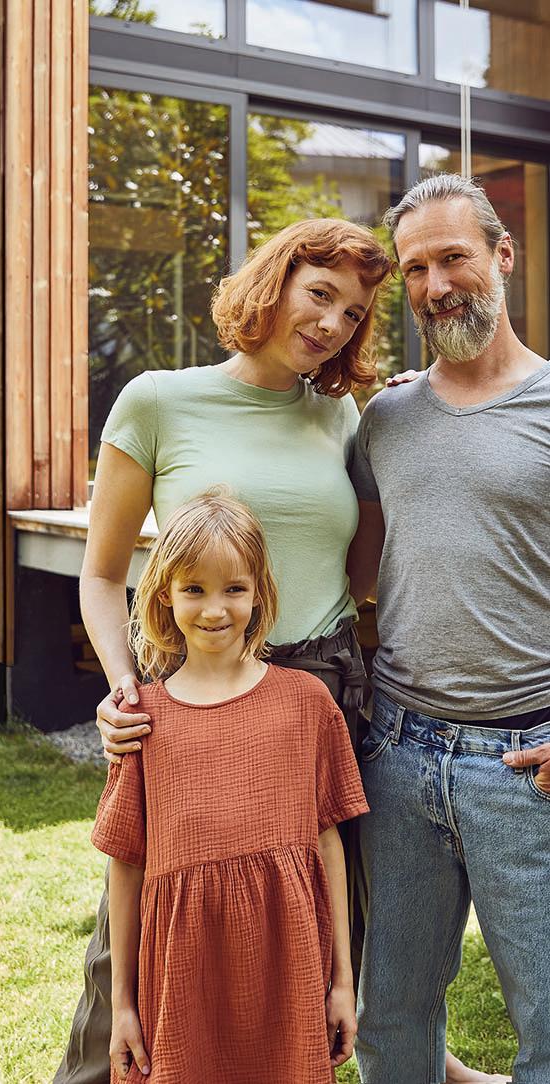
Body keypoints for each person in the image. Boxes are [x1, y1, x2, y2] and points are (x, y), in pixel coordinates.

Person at [55, 216, 497, 1084]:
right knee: (145, 924)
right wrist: (123, 689)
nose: (334, 323)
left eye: (355, 311)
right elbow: (103, 575)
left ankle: (414, 1057)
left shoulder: (342, 415)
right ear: (273, 284)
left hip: (323, 682)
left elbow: (361, 570)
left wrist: (409, 420)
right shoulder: (156, 400)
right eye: (319, 294)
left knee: (340, 908)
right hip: (195, 687)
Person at [348, 173, 549, 1084]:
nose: (437, 285)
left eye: (455, 257)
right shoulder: (384, 417)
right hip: (396, 753)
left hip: (526, 764)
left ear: (503, 257)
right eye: (417, 267)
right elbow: (363, 566)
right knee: (390, 1017)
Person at [92, 490, 368, 1082]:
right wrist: (122, 1006)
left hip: (288, 979)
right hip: (184, 988)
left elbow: (328, 848)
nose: (214, 610)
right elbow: (127, 867)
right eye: (194, 589)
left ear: (260, 592)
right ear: (163, 594)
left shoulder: (306, 704)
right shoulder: (143, 719)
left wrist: (343, 981)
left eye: (233, 589)